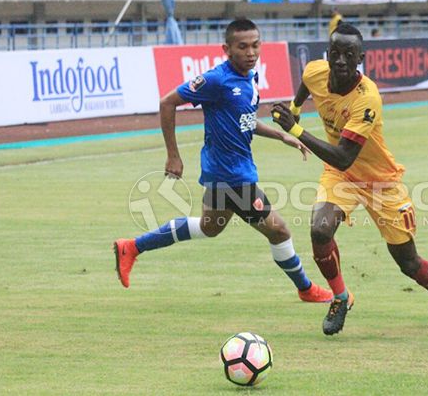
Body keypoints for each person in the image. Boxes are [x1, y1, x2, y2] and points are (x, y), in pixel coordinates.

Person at [113, 18, 333, 304]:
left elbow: (244, 121)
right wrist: (173, 154)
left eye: (255, 45)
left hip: (227, 172)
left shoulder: (249, 78)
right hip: (232, 176)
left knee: (210, 227)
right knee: (279, 231)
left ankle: (131, 247)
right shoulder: (216, 80)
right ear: (227, 49)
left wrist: (281, 137)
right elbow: (167, 102)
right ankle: (305, 288)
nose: (251, 52)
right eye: (242, 47)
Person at [271, 22, 428, 335]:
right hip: (341, 176)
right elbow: (307, 85)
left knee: (408, 262)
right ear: (328, 53)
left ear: (360, 58)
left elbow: (344, 155)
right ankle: (341, 297)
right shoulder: (314, 71)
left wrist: (294, 128)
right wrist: (294, 108)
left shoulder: (367, 98)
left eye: (350, 55)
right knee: (320, 231)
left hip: (381, 182)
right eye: (336, 53)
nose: (341, 61)